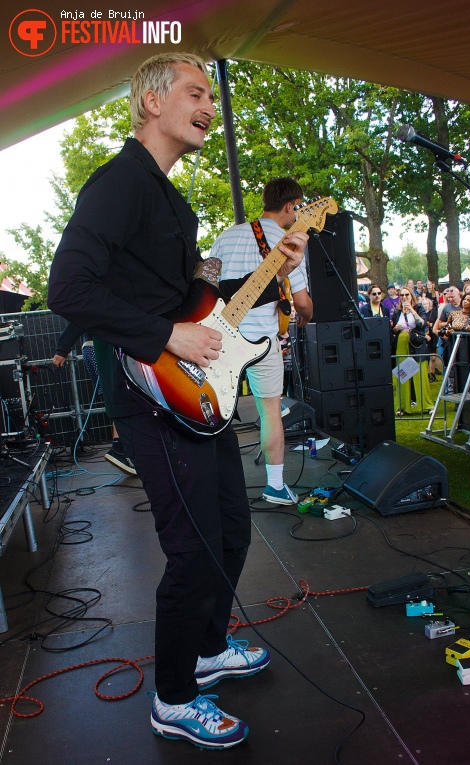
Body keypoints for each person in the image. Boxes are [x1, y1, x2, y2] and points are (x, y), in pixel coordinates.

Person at [48, 53, 308, 750]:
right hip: (151, 396)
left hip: (195, 395)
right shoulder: (118, 183)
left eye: (210, 97)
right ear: (152, 101)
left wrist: (273, 272)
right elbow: (67, 289)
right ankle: (172, 696)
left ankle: (206, 646)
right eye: (196, 93)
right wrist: (168, 333)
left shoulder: (169, 196)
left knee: (231, 527)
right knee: (192, 549)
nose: (209, 105)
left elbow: (194, 305)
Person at [211, 177, 312, 506]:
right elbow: (303, 303)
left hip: (223, 337)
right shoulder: (288, 241)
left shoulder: (226, 236)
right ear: (290, 206)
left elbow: (208, 285)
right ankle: (274, 486)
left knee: (212, 410)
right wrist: (305, 316)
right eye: (298, 208)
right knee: (270, 412)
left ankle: (213, 486)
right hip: (263, 340)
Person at [52, 322, 136, 475]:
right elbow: (79, 315)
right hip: (101, 348)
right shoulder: (102, 299)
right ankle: (120, 448)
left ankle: (123, 448)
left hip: (95, 348)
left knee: (119, 397)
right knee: (121, 397)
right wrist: (62, 348)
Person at [391, 287, 434, 415]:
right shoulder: (397, 311)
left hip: (416, 344)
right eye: (402, 295)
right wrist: (396, 329)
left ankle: (427, 405)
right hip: (402, 343)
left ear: (411, 296)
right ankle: (403, 407)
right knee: (403, 375)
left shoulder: (419, 307)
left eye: (407, 295)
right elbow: (393, 330)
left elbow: (422, 324)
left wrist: (411, 310)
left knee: (419, 374)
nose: (404, 297)